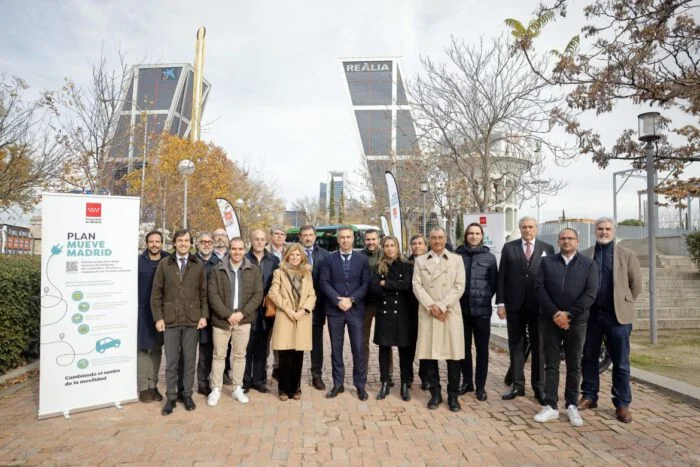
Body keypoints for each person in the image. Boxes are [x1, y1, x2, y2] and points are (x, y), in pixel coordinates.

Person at [579, 217, 642, 423]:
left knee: (621, 362)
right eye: (600, 229)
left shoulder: (627, 255)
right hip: (591, 317)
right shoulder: (585, 254)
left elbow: (636, 285)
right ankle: (589, 395)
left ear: (613, 231)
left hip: (618, 317)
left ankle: (622, 403)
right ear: (595, 231)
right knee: (589, 357)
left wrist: (623, 302)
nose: (603, 232)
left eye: (607, 229)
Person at [534, 228, 598, 427]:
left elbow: (590, 293)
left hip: (576, 321)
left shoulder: (589, 265)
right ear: (558, 241)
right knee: (551, 364)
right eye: (563, 238)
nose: (566, 241)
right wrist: (555, 313)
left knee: (574, 364)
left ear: (577, 242)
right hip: (550, 320)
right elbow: (539, 288)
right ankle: (551, 406)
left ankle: (571, 405)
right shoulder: (546, 262)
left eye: (570, 238)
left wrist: (568, 314)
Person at [497, 216, 555, 404]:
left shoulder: (547, 248)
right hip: (515, 305)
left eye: (530, 227)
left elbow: (551, 278)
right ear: (519, 229)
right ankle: (517, 385)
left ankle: (539, 388)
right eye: (524, 227)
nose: (527, 230)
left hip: (538, 306)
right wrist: (501, 303)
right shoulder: (509, 247)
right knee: (516, 346)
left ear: (536, 228)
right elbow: (502, 276)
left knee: (539, 347)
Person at [151, 229, 208, 416]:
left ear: (191, 244)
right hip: (171, 320)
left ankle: (187, 394)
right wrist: (158, 317)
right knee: (172, 362)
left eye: (186, 241)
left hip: (192, 320)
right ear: (174, 243)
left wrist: (203, 316)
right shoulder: (164, 264)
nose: (183, 244)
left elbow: (203, 293)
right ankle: (171, 397)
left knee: (190, 360)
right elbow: (156, 293)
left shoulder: (197, 264)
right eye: (180, 240)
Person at [413, 227, 466, 412]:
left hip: (450, 313)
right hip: (429, 313)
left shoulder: (456, 260)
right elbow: (417, 286)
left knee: (454, 357)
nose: (437, 241)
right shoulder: (420, 261)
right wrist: (432, 307)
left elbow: (460, 286)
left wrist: (443, 306)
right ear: (429, 240)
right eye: (433, 238)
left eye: (440, 238)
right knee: (429, 357)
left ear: (445, 239)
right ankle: (435, 394)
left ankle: (453, 396)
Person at [207, 237, 263, 407]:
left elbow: (258, 294)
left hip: (243, 320)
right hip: (222, 321)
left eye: (240, 249)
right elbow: (213, 295)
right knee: (219, 355)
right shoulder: (218, 269)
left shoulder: (253, 270)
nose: (237, 252)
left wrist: (241, 314)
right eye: (234, 249)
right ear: (229, 250)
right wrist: (227, 315)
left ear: (244, 250)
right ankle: (215, 389)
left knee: (240, 355)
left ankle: (237, 387)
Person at [320, 225, 371, 400]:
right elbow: (324, 282)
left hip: (355, 310)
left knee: (358, 348)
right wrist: (338, 300)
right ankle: (338, 384)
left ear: (353, 238)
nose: (345, 240)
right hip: (335, 311)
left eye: (348, 237)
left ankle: (360, 386)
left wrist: (352, 300)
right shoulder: (329, 259)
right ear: (338, 239)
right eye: (342, 237)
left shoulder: (362, 260)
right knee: (336, 349)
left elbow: (366, 284)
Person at [455, 223, 497, 402]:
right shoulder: (457, 256)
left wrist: (483, 295)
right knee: (463, 349)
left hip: (482, 311)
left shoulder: (489, 257)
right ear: (466, 235)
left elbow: (494, 283)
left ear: (482, 236)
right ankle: (467, 382)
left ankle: (480, 386)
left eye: (477, 233)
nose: (473, 236)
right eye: (470, 233)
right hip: (461, 310)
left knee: (482, 350)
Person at [268, 244, 316, 400]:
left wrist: (303, 311)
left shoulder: (307, 274)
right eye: (292, 254)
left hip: (302, 317)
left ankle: (296, 388)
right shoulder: (279, 272)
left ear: (302, 257)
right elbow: (273, 293)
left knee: (298, 354)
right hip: (285, 316)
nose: (295, 257)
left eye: (298, 255)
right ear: (287, 256)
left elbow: (312, 295)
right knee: (285, 354)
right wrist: (288, 310)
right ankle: (283, 388)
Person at [370, 235, 415, 401]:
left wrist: (386, 284)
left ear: (397, 247)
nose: (389, 249)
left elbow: (407, 286)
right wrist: (392, 285)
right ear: (383, 248)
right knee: (384, 349)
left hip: (403, 313)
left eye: (392, 245)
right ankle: (384, 383)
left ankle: (404, 384)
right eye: (387, 246)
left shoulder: (406, 265)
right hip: (384, 313)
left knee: (404, 350)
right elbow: (374, 288)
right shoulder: (378, 267)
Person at [242, 229, 279, 393]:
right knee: (245, 347)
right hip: (247, 308)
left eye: (262, 239)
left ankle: (259, 379)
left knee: (262, 347)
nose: (259, 242)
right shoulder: (243, 258)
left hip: (266, 309)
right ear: (251, 240)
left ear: (267, 241)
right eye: (256, 239)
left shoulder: (274, 260)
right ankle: (245, 380)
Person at [137, 230, 169, 403]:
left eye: (157, 241)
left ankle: (153, 386)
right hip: (142, 313)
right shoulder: (138, 262)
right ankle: (143, 387)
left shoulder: (168, 260)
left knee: (157, 349)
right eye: (151, 241)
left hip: (161, 313)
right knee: (142, 349)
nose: (154, 244)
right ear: (146, 243)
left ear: (162, 243)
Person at [298, 224, 330, 391]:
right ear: (300, 237)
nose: (308, 238)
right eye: (305, 235)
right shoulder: (293, 255)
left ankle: (316, 375)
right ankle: (295, 377)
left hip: (317, 307)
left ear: (315, 236)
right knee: (297, 343)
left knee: (316, 344)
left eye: (311, 235)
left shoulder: (324, 255)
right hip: (297, 307)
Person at [360, 228, 393, 385]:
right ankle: (362, 373)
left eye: (373, 239)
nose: (371, 242)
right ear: (364, 240)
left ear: (379, 240)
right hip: (364, 305)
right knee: (362, 341)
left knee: (385, 341)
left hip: (383, 304)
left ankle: (388, 374)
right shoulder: (359, 256)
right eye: (368, 239)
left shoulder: (386, 254)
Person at [192, 232, 220, 397]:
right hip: (190, 312)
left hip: (210, 314)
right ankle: (184, 384)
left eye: (209, 242)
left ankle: (203, 383)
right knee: (187, 352)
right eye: (203, 241)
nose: (206, 244)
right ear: (197, 244)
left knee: (206, 350)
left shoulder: (218, 263)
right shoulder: (190, 261)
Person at [265, 224, 288, 380]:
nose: (279, 236)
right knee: (266, 337)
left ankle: (278, 368)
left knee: (281, 337)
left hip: (285, 302)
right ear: (271, 236)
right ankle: (262, 368)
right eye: (276, 233)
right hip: (267, 301)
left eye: (282, 234)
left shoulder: (291, 251)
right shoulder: (264, 251)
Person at [408, 233, 429, 390]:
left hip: (427, 309)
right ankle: (408, 376)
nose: (417, 246)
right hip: (409, 309)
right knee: (409, 345)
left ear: (425, 245)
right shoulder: (405, 263)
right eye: (414, 243)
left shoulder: (431, 262)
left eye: (420, 243)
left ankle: (425, 377)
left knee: (426, 344)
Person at [212, 227, 233, 385]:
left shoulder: (234, 256)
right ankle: (209, 378)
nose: (220, 238)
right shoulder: (206, 257)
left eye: (223, 235)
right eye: (217, 235)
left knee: (229, 346)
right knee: (211, 348)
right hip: (212, 309)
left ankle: (225, 373)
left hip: (231, 311)